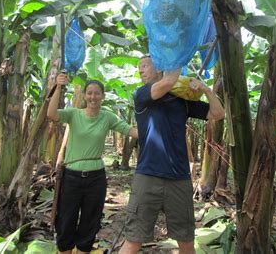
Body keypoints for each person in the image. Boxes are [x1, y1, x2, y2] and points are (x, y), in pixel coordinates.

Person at [119, 56, 225, 254]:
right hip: (148, 176)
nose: (140, 70)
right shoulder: (142, 95)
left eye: (144, 65)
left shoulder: (181, 101)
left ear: (159, 66)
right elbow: (168, 81)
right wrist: (177, 51)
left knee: (185, 240)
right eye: (138, 67)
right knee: (134, 239)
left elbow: (218, 114)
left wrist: (205, 89)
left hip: (179, 178)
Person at [47, 74, 138, 254]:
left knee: (91, 219)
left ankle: (83, 251)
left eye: (97, 94)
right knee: (66, 219)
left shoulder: (107, 117)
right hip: (71, 177)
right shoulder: (74, 114)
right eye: (89, 93)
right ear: (85, 96)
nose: (93, 97)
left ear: (102, 96)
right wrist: (58, 87)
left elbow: (131, 131)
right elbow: (51, 114)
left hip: (96, 178)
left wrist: (158, 126)